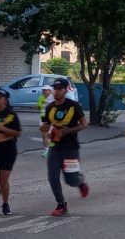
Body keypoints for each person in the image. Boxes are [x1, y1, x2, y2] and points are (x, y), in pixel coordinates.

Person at [40, 78, 90, 217]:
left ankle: (80, 182)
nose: (56, 91)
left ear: (65, 90)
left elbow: (85, 124)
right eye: (54, 89)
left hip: (70, 148)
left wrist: (70, 130)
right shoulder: (49, 107)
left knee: (71, 180)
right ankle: (61, 204)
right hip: (55, 147)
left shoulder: (73, 106)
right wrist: (43, 129)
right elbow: (46, 126)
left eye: (59, 89)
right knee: (53, 178)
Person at [37, 85, 54, 158]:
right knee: (44, 135)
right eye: (43, 90)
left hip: (51, 119)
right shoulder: (41, 98)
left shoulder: (53, 98)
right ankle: (46, 150)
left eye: (46, 90)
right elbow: (39, 107)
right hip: (43, 118)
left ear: (50, 91)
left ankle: (53, 150)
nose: (44, 91)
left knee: (51, 135)